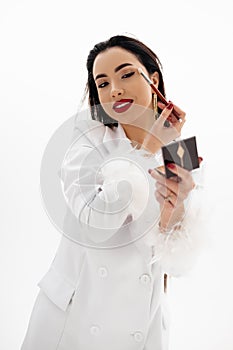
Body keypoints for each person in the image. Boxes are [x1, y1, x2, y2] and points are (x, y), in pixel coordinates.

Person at [21, 34, 205, 350]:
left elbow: (178, 266)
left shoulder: (181, 151)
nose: (115, 89)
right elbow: (96, 225)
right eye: (102, 83)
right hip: (74, 319)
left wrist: (177, 209)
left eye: (126, 74)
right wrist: (148, 147)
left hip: (142, 330)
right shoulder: (87, 137)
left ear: (154, 79)